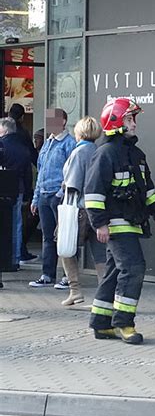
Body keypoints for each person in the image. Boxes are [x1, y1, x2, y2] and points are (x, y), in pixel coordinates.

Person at [85, 98, 155, 344]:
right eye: (130, 119)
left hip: (131, 221)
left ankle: (101, 323)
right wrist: (99, 223)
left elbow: (148, 189)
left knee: (114, 271)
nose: (134, 124)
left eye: (134, 119)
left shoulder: (135, 154)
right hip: (115, 224)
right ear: (116, 123)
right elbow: (93, 193)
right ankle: (124, 322)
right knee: (133, 268)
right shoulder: (105, 154)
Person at [59, 116, 106, 306]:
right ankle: (104, 294)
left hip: (78, 209)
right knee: (100, 253)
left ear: (79, 132)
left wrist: (63, 189)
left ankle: (75, 290)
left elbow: (72, 184)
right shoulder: (100, 151)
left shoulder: (79, 153)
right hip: (97, 209)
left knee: (65, 247)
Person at [29, 109, 75, 288]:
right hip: (44, 195)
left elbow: (72, 171)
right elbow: (41, 173)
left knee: (65, 236)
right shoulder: (47, 143)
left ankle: (68, 276)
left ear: (63, 121)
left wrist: (61, 194)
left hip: (58, 195)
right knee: (47, 237)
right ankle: (47, 274)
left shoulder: (68, 143)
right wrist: (35, 198)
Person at [8, 103, 38, 263]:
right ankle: (18, 253)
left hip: (10, 185)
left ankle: (14, 255)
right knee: (17, 221)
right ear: (21, 117)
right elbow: (30, 157)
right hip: (18, 185)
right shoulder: (22, 135)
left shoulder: (7, 138)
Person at [0, 117, 31, 269]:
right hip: (17, 189)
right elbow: (27, 173)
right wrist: (27, 193)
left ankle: (5, 259)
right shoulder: (23, 147)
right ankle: (15, 258)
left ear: (4, 130)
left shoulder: (2, 146)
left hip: (3, 189)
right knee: (16, 224)